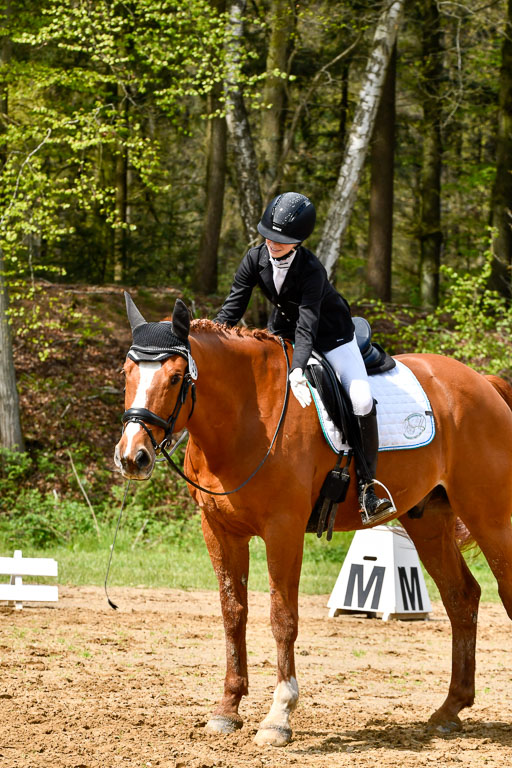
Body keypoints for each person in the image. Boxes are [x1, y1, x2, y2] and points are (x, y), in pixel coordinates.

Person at [214, 191, 393, 525]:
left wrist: (297, 369)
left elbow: (308, 326)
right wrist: (208, 338)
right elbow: (232, 307)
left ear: (298, 241)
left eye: (281, 240)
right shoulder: (255, 258)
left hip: (332, 337)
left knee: (361, 399)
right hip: (283, 331)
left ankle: (368, 488)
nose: (272, 243)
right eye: (268, 236)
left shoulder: (312, 269)